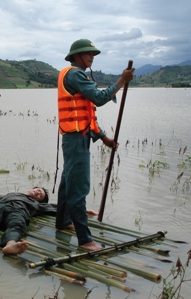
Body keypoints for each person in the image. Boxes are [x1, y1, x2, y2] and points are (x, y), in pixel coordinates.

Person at [55, 39, 135, 251]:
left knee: (67, 181)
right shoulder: (75, 74)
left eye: (93, 54)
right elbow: (99, 98)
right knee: (78, 188)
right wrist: (121, 81)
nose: (92, 57)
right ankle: (85, 240)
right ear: (76, 56)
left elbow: (87, 112)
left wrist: (103, 137)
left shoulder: (76, 75)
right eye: (87, 53)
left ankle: (63, 222)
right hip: (75, 139)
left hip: (77, 136)